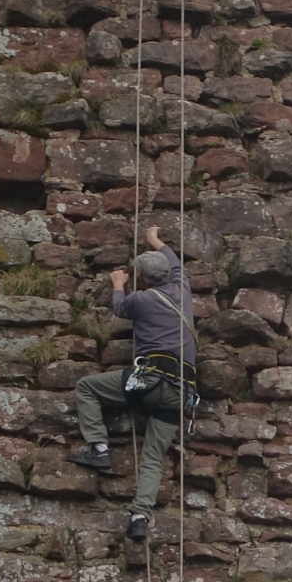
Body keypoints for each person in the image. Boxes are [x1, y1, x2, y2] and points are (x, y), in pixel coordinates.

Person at [69, 224, 198, 546]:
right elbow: (175, 262)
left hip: (150, 380)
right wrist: (155, 239)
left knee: (86, 387)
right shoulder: (182, 287)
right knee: (153, 456)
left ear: (142, 278)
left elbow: (119, 308)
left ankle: (99, 449)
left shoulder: (141, 299)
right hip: (180, 390)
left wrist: (118, 283)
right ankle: (140, 517)